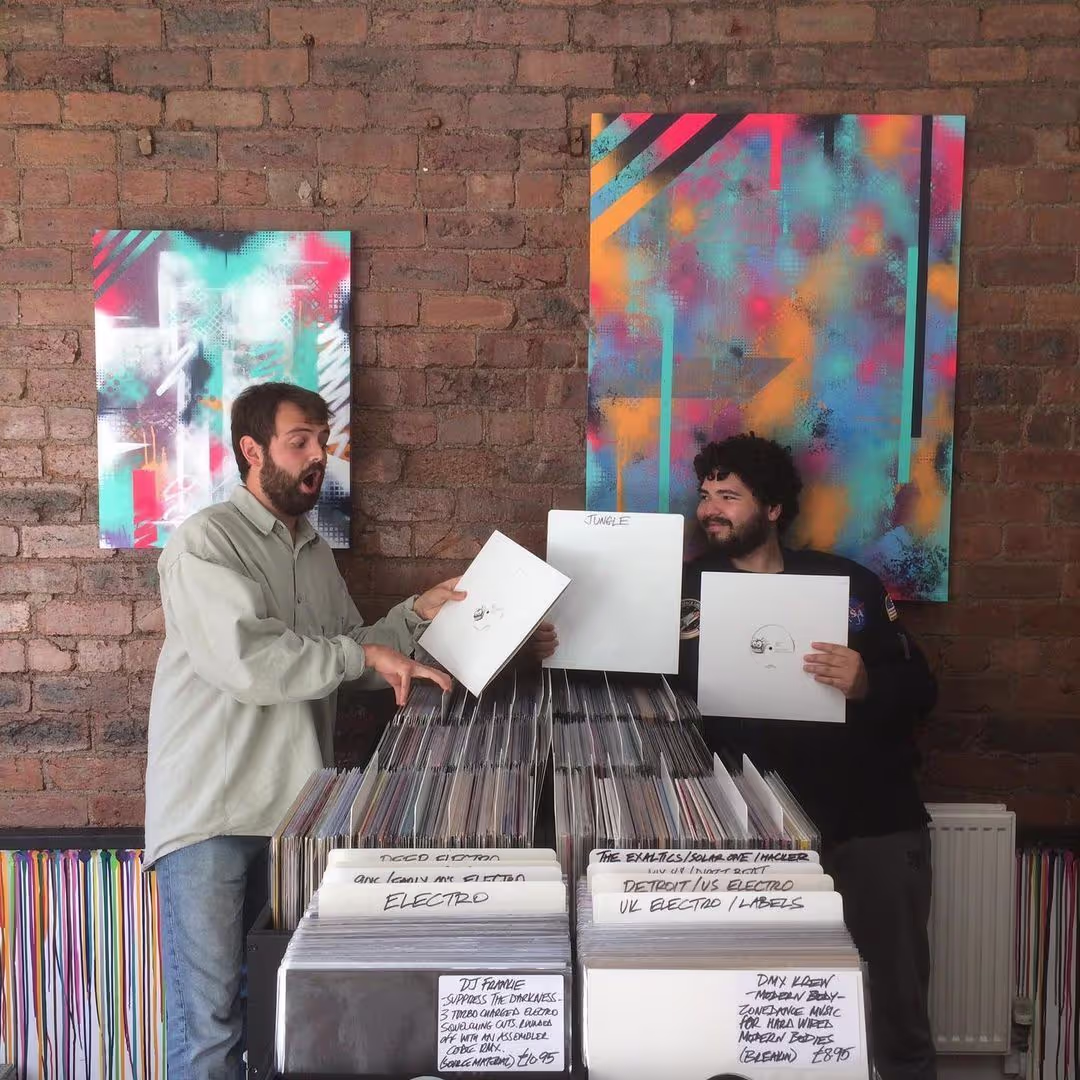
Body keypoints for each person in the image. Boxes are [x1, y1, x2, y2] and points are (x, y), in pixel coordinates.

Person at [145, 382, 464, 1080]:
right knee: (210, 1031)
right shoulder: (204, 542)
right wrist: (361, 653)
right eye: (301, 441)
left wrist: (419, 613)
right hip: (212, 817)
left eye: (324, 439)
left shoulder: (315, 554)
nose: (320, 455)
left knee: (287, 1019)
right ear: (251, 450)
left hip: (296, 821)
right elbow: (250, 660)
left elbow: (350, 656)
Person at [678, 432, 938, 1080]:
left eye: (729, 496)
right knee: (762, 1018)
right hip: (747, 835)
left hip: (869, 824)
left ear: (771, 509)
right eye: (706, 495)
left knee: (895, 1012)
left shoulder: (845, 582)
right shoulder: (683, 591)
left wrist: (867, 682)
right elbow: (628, 685)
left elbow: (922, 689)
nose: (711, 509)